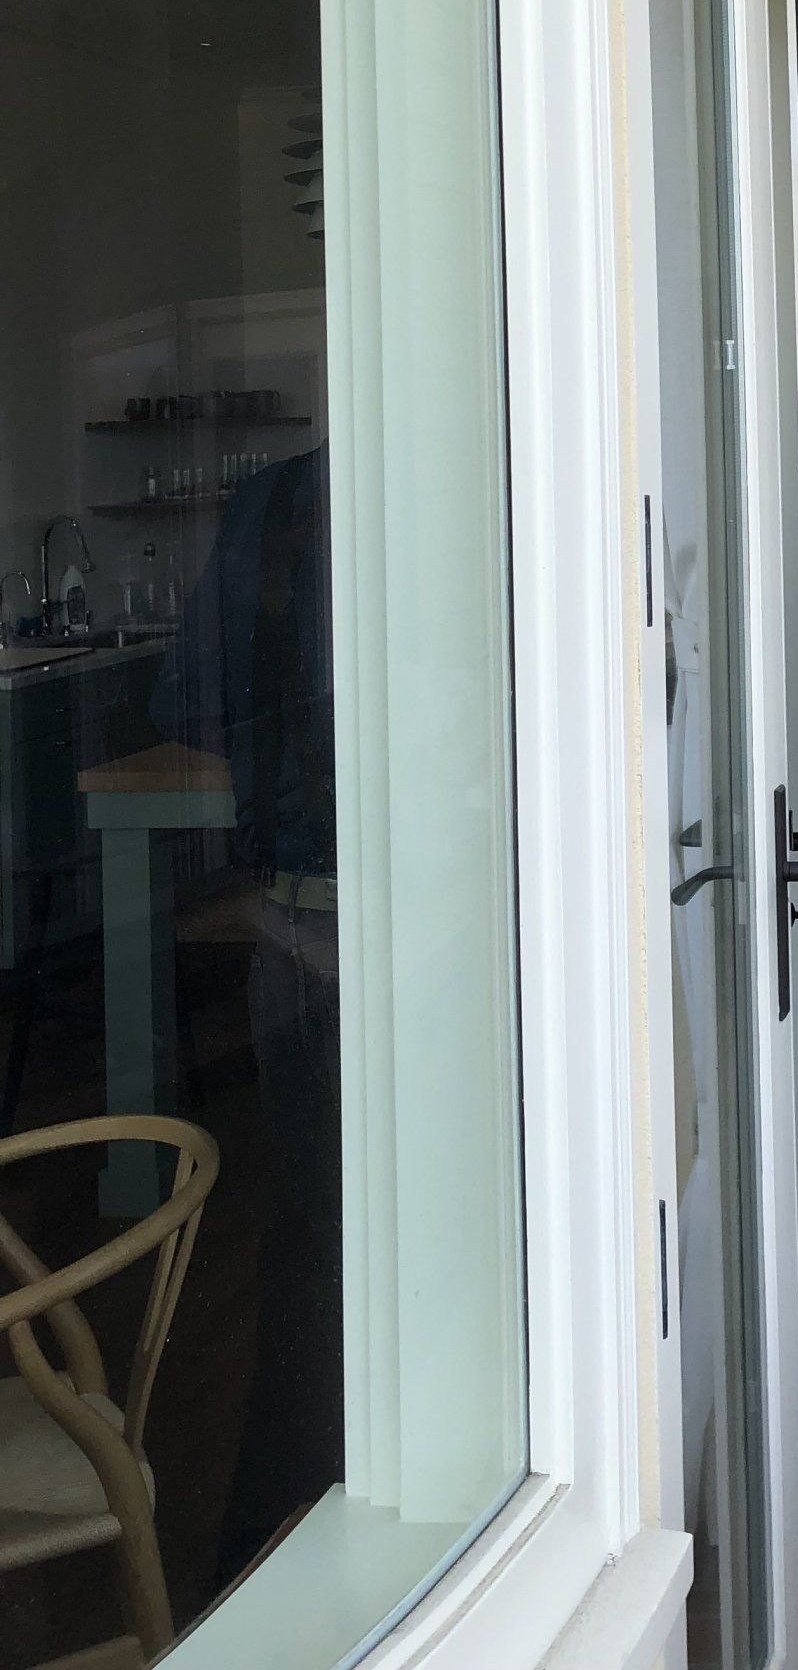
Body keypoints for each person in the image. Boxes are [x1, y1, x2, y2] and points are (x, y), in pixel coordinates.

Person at [151, 445, 341, 1584]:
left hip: (294, 927)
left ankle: (259, 1567)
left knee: (312, 1254)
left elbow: (186, 698)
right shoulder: (481, 463)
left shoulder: (276, 500)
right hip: (433, 941)